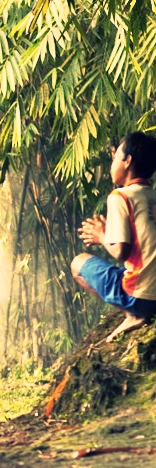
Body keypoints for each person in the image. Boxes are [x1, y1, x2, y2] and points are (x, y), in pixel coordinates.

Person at [72, 131, 156, 342]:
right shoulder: (152, 196)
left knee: (78, 263)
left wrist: (101, 236)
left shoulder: (120, 196)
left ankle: (132, 315)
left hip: (142, 297)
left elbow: (121, 251)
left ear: (127, 161)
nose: (112, 164)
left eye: (115, 157)